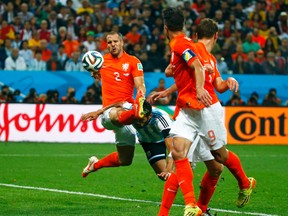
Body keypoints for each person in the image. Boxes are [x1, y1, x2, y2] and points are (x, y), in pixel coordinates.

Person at [153, 10, 256, 216]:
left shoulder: (200, 53)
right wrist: (174, 88)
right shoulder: (191, 46)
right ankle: (191, 207)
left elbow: (204, 76)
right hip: (190, 109)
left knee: (218, 159)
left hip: (206, 110)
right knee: (178, 153)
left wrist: (223, 82)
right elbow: (180, 70)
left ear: (165, 29)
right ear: (216, 36)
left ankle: (245, 183)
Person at [80, 31, 146, 178]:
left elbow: (140, 85)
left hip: (127, 110)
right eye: (109, 43)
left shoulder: (133, 61)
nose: (113, 45)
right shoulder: (102, 62)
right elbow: (94, 70)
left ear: (122, 42)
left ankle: (95, 164)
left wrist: (140, 99)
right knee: (119, 113)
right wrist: (96, 72)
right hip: (108, 113)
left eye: (116, 41)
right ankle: (136, 115)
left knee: (125, 160)